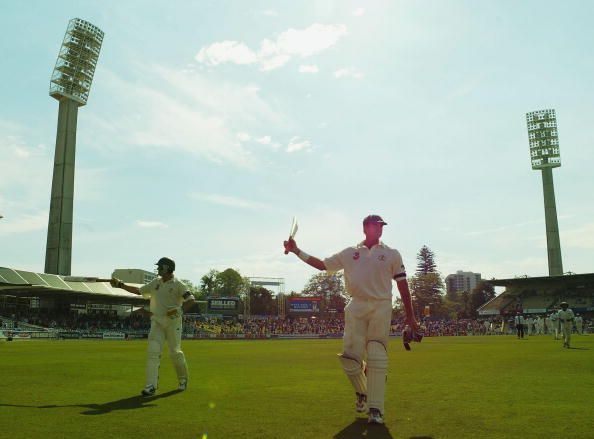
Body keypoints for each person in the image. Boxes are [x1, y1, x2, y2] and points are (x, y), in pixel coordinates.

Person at [283, 214, 418, 425]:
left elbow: (402, 285)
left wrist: (411, 317)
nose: (380, 229)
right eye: (376, 225)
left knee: (376, 355)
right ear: (365, 228)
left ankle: (376, 410)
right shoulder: (350, 253)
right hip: (356, 305)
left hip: (381, 304)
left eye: (382, 226)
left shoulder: (392, 254)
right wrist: (296, 250)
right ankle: (363, 392)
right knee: (349, 358)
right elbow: (322, 265)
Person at [111, 257, 195, 396]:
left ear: (167, 268)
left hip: (173, 323)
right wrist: (120, 285)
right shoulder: (156, 282)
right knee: (153, 352)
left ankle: (182, 379)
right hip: (157, 321)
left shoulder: (179, 284)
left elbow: (191, 300)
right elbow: (139, 290)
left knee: (175, 352)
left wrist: (179, 311)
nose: (157, 269)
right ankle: (151, 386)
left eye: (160, 267)